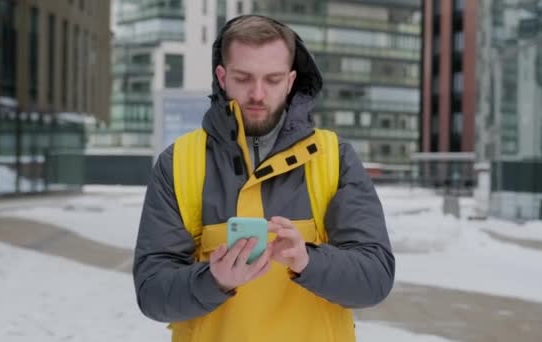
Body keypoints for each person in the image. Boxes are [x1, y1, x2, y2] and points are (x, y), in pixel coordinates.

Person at [133, 15, 395, 342]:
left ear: (290, 80)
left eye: (272, 79)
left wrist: (308, 260)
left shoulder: (334, 157)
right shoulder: (178, 163)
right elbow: (152, 293)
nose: (257, 94)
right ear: (222, 77)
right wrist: (213, 279)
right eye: (244, 78)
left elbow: (375, 279)